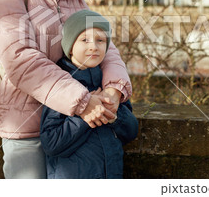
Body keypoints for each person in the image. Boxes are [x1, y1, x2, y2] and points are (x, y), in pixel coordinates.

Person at [0, 0, 132, 179]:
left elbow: (106, 49)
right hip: (27, 124)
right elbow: (20, 60)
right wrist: (82, 101)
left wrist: (114, 91)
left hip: (73, 127)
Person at [40, 10, 139, 179]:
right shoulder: (62, 84)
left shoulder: (109, 84)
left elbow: (131, 131)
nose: (93, 46)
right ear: (70, 46)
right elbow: (52, 143)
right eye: (85, 40)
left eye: (100, 40)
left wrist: (113, 114)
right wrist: (85, 116)